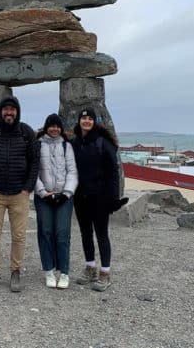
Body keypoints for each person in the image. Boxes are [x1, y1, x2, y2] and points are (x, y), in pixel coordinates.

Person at [0, 96, 38, 292]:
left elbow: (34, 161)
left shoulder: (27, 132)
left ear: (17, 111)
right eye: (6, 109)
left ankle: (15, 272)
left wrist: (28, 187)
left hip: (19, 193)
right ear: (1, 112)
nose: (9, 112)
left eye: (12, 109)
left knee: (19, 235)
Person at [71, 108, 121, 292]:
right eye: (83, 118)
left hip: (100, 197)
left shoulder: (103, 142)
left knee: (101, 235)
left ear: (94, 121)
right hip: (80, 196)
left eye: (90, 118)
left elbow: (114, 171)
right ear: (79, 121)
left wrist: (113, 197)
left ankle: (105, 273)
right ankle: (90, 267)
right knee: (85, 234)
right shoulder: (75, 142)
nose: (86, 121)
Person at [34, 113, 78, 289]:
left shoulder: (67, 146)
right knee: (45, 232)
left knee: (62, 233)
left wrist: (66, 193)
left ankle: (64, 272)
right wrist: (43, 192)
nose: (54, 129)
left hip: (64, 196)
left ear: (61, 128)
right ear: (46, 127)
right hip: (43, 196)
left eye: (57, 126)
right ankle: (49, 270)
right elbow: (33, 171)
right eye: (51, 125)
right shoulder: (37, 146)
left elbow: (72, 171)